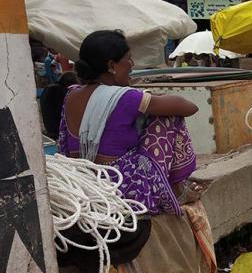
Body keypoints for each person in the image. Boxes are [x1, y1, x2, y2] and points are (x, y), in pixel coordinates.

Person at [59, 30, 200, 216]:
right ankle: (176, 189)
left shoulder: (71, 94)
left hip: (80, 182)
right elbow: (189, 107)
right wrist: (147, 98)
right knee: (168, 116)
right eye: (128, 59)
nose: (132, 66)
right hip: (121, 188)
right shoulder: (125, 97)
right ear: (111, 65)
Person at [40, 71, 78, 139]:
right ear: (70, 83)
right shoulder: (58, 89)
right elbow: (62, 110)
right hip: (56, 129)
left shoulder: (50, 87)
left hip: (50, 126)